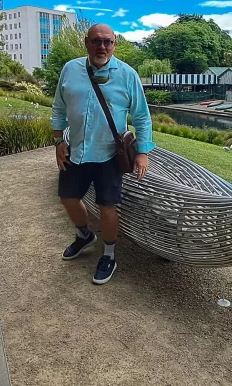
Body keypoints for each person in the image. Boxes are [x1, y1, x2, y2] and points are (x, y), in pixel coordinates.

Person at [51, 24, 154, 285]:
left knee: (107, 207)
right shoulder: (70, 69)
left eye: (107, 42)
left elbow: (141, 116)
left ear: (114, 44)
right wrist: (57, 141)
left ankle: (109, 254)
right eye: (96, 41)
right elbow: (58, 107)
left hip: (110, 154)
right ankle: (84, 234)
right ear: (86, 43)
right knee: (67, 198)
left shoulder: (127, 75)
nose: (102, 47)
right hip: (76, 151)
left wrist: (142, 152)